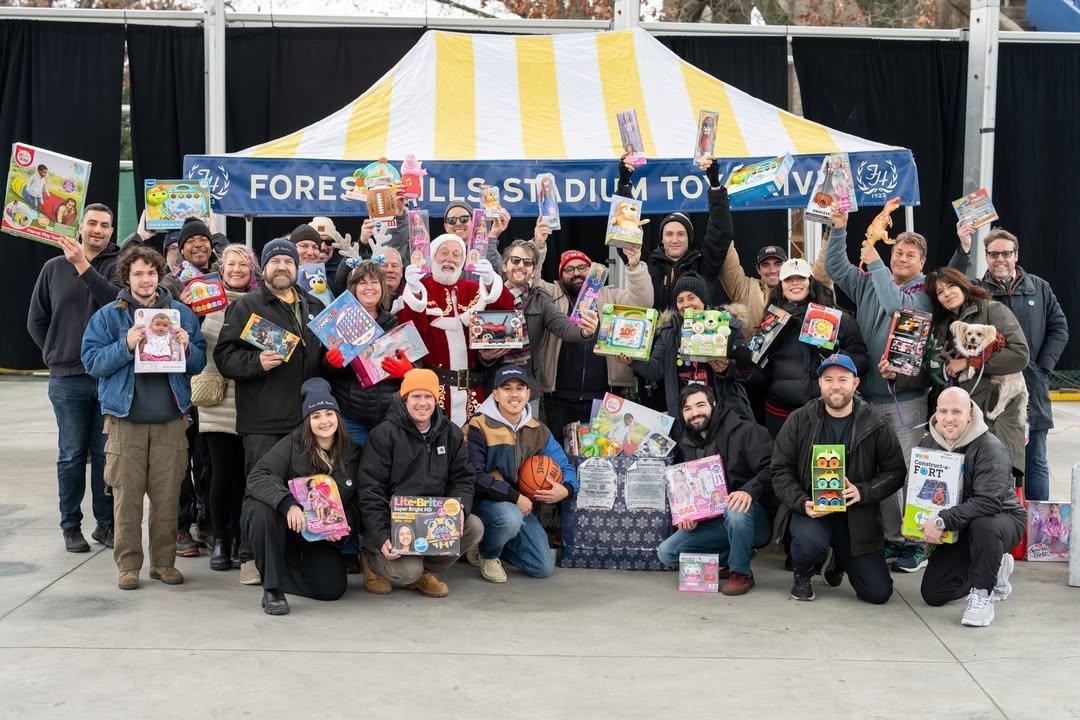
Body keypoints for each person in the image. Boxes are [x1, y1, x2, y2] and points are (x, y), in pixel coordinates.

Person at [80, 245, 207, 590]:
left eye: (151, 273)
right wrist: (126, 344)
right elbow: (91, 362)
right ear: (127, 277)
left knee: (167, 499)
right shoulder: (109, 316)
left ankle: (164, 563)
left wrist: (187, 346)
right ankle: (129, 565)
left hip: (170, 421)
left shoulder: (180, 313)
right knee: (127, 498)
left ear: (159, 275)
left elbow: (198, 364)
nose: (145, 279)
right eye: (138, 273)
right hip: (125, 422)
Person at [825, 206, 934, 572]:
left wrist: (876, 264)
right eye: (897, 252)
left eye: (910, 255)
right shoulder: (872, 278)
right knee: (883, 475)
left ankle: (917, 544)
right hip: (868, 398)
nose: (902, 258)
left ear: (922, 262)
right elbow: (837, 268)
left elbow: (895, 306)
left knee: (910, 472)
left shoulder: (922, 293)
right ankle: (893, 540)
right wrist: (838, 229)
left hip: (906, 401)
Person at [214, 238, 326, 583]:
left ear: (297, 267)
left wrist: (334, 360)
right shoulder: (247, 306)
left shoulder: (314, 305)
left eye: (287, 261)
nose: (282, 266)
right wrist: (256, 361)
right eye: (275, 260)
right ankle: (250, 555)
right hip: (263, 419)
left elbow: (322, 358)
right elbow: (224, 357)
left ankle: (293, 554)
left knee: (303, 490)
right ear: (264, 268)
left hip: (304, 420)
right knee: (260, 488)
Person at [770, 353, 906, 604]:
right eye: (828, 379)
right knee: (809, 543)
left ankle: (840, 559)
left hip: (855, 516)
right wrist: (802, 503)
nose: (835, 386)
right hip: (813, 510)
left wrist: (863, 491)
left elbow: (896, 472)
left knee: (877, 594)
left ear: (855, 384)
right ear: (819, 384)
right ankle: (803, 574)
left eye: (842, 379)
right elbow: (779, 470)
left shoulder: (876, 422)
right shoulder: (800, 419)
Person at [27, 203, 121, 552]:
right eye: (92, 223)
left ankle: (106, 525)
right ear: (79, 228)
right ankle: (71, 526)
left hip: (108, 376)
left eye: (105, 225)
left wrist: (83, 266)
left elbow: (115, 302)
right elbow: (37, 320)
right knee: (70, 454)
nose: (98, 230)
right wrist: (56, 352)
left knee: (105, 455)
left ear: (112, 231)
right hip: (67, 379)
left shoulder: (117, 268)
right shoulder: (52, 268)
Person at [949, 226, 1068, 501]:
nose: (1000, 259)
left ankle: (1038, 532)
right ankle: (1002, 526)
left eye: (1006, 253)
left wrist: (1041, 367)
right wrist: (963, 246)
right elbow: (951, 283)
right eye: (993, 254)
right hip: (991, 391)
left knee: (1036, 458)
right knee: (995, 459)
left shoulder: (1039, 288)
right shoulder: (977, 292)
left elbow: (1059, 328)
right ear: (987, 257)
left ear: (1016, 254)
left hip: (1032, 388)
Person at [356, 369, 484, 597]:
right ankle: (371, 560)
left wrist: (461, 507)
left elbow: (463, 477)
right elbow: (370, 490)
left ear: (436, 400)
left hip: (433, 520)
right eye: (416, 396)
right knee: (407, 572)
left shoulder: (451, 433)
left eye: (428, 397)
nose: (422, 403)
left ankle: (425, 573)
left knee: (473, 527)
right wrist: (381, 535)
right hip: (394, 523)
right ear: (404, 399)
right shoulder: (383, 434)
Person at [241, 378, 358, 615]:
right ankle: (272, 588)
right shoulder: (293, 444)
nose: (324, 421)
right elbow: (258, 476)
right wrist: (288, 504)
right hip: (285, 524)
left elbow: (359, 500)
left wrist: (344, 527)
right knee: (260, 509)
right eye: (316, 416)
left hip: (319, 534)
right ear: (307, 421)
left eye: (328, 413)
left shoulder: (353, 452)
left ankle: (280, 571)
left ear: (338, 416)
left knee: (331, 589)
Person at [918, 387, 1025, 627]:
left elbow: (989, 502)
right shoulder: (929, 444)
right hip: (961, 523)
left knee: (984, 525)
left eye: (957, 411)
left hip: (1002, 519)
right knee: (934, 594)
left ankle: (983, 593)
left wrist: (942, 520)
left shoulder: (989, 447)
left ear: (970, 414)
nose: (949, 418)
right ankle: (993, 567)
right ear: (936, 413)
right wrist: (920, 520)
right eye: (943, 411)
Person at [657, 385, 774, 595]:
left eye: (700, 405)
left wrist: (748, 490)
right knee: (667, 553)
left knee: (735, 509)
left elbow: (774, 468)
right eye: (688, 409)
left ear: (714, 405)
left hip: (753, 518)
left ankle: (741, 572)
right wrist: (690, 517)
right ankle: (735, 555)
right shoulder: (687, 444)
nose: (695, 413)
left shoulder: (745, 431)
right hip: (715, 522)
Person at [464, 366, 577, 582]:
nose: (514, 394)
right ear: (495, 394)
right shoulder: (478, 425)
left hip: (521, 508)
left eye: (520, 388)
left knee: (542, 566)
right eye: (506, 388)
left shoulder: (538, 429)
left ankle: (488, 540)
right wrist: (514, 497)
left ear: (528, 393)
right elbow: (473, 476)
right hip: (484, 503)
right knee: (510, 517)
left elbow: (564, 465)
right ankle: (487, 554)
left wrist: (567, 489)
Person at [531, 247, 654, 439]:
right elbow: (531, 280)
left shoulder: (610, 295)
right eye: (569, 269)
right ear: (560, 274)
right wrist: (539, 245)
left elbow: (643, 302)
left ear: (593, 269)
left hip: (605, 396)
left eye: (582, 267)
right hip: (559, 397)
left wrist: (635, 266)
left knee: (602, 458)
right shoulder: (550, 295)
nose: (577, 273)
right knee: (561, 457)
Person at [923, 267, 1030, 480]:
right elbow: (934, 372)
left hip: (996, 417)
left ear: (963, 285)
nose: (947, 293)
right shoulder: (943, 326)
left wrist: (969, 362)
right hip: (961, 423)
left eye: (951, 285)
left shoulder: (992, 310)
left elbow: (1020, 354)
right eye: (940, 291)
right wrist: (896, 375)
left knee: (995, 492)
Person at [397, 232, 513, 426]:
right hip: (434, 391)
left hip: (473, 390)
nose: (450, 258)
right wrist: (414, 292)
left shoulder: (474, 289)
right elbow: (411, 334)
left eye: (456, 254)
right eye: (444, 253)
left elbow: (503, 319)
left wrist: (491, 283)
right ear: (432, 257)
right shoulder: (420, 288)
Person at [196, 243, 259, 571]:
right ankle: (221, 539)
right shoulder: (206, 301)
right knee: (220, 475)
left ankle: (241, 538)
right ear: (221, 269)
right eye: (231, 264)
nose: (236, 270)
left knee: (246, 477)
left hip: (251, 400)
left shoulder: (260, 303)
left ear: (252, 270)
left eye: (243, 265)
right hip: (216, 400)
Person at [758, 258, 868, 438]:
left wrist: (835, 354)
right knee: (784, 464)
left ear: (810, 282)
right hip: (780, 414)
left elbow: (862, 361)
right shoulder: (770, 320)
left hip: (825, 411)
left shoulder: (837, 318)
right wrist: (749, 362)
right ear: (781, 286)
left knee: (825, 464)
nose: (795, 283)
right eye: (788, 279)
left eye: (801, 278)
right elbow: (760, 373)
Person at [628, 273, 751, 421]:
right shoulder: (669, 331)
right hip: (686, 416)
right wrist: (632, 359)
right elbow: (656, 370)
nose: (686, 304)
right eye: (680, 300)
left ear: (703, 299)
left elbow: (745, 371)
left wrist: (726, 369)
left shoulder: (725, 325)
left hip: (724, 413)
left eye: (691, 297)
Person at [497, 239, 597, 412]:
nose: (521, 265)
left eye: (527, 262)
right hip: (495, 385)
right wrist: (486, 356)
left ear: (533, 270)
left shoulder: (540, 299)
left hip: (527, 388)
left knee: (527, 438)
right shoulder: (490, 295)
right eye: (515, 260)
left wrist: (585, 331)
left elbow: (565, 328)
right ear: (505, 266)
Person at [325, 260, 413, 447]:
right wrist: (331, 363)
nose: (369, 288)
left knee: (386, 469)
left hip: (388, 417)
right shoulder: (339, 323)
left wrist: (407, 371)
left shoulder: (394, 323)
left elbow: (416, 367)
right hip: (351, 417)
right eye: (362, 282)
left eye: (374, 282)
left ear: (382, 288)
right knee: (352, 468)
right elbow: (323, 370)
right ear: (353, 288)